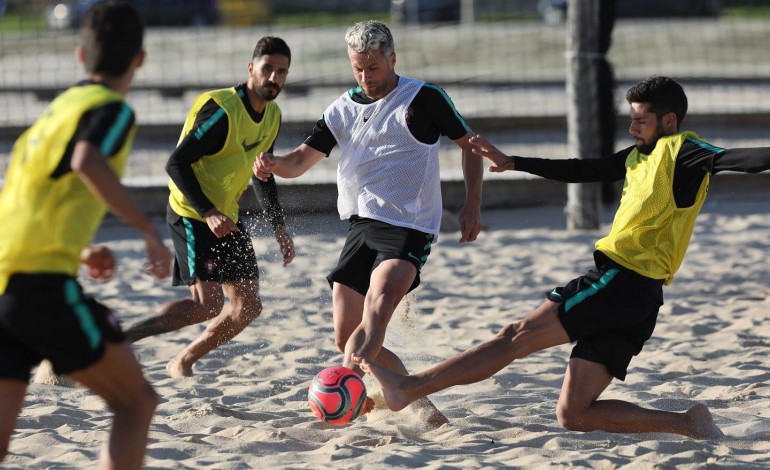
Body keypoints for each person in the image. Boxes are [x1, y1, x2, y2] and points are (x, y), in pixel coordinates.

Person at [353, 75, 770, 439]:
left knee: (513, 337)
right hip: (640, 301)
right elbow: (582, 169)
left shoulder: (684, 151)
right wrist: (513, 162)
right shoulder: (637, 157)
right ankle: (688, 423)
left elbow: (739, 160)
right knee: (574, 415)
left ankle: (409, 387)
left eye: (640, 120)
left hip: (618, 281)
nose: (631, 128)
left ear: (669, 121)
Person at [253, 20, 483, 426]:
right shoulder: (341, 109)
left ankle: (348, 381)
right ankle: (415, 401)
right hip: (361, 227)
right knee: (347, 334)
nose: (365, 77)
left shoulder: (424, 98)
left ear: (392, 59)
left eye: (373, 68)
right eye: (357, 68)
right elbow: (301, 161)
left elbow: (472, 146)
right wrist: (274, 166)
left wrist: (472, 205)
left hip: (409, 227)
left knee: (374, 316)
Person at [0, 1, 172, 468]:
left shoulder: (52, 115)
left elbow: (24, 202)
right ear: (139, 59)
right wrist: (148, 232)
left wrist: (80, 250)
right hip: (40, 291)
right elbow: (86, 161)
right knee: (136, 402)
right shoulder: (110, 109)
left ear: (80, 56)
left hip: (7, 282)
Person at [124, 36, 296, 378]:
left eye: (281, 72)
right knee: (207, 305)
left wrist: (278, 227)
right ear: (251, 68)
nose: (274, 78)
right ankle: (120, 339)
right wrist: (208, 212)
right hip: (191, 211)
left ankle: (183, 360)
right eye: (267, 69)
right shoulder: (222, 111)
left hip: (226, 216)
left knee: (248, 307)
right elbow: (176, 163)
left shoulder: (272, 115)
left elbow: (261, 174)